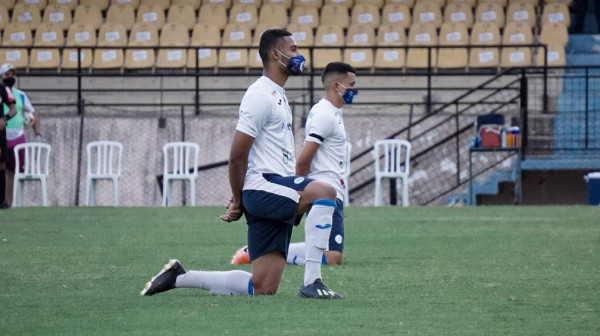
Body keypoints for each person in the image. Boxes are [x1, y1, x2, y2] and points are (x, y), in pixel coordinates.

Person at [141, 29, 343, 299]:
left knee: (262, 287)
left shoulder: (279, 95)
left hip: (274, 189)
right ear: (275, 54)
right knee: (325, 192)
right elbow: (237, 155)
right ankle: (312, 282)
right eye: (293, 49)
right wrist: (238, 198)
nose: (299, 55)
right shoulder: (260, 95)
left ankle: (180, 277)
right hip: (264, 186)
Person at [231, 62, 358, 267]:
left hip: (331, 188)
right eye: (351, 85)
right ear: (336, 86)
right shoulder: (325, 115)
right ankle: (257, 251)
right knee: (333, 256)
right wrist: (300, 192)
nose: (355, 90)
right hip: (324, 189)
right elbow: (304, 160)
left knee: (331, 253)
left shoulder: (331, 112)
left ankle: (264, 251)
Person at [0, 63, 41, 206]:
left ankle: (9, 202)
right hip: (2, 136)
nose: (10, 77)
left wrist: (38, 134)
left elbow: (33, 113)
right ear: (1, 77)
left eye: (12, 75)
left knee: (13, 172)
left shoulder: (21, 95)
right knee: (2, 169)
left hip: (18, 138)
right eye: (7, 75)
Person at [0, 75, 18, 209]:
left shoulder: (4, 89)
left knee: (1, 165)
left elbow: (13, 110)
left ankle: (2, 201)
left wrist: (4, 118)